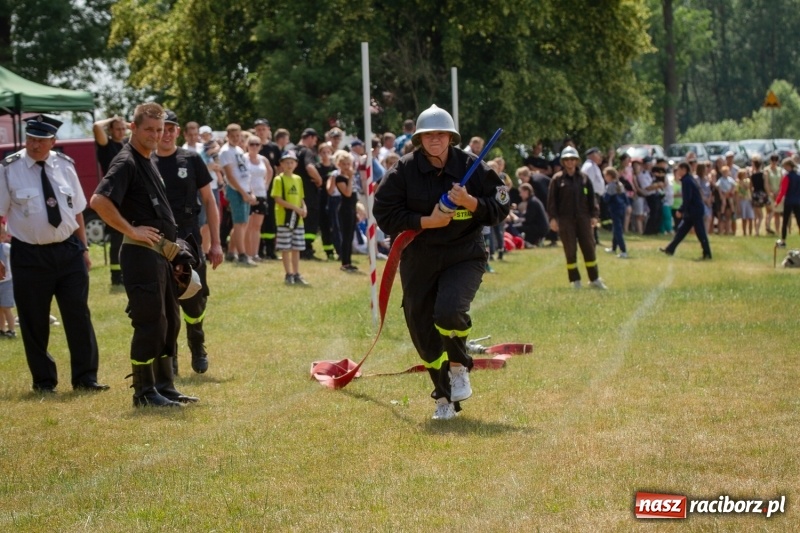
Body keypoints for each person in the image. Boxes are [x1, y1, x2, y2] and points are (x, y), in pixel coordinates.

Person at [374, 104, 510, 421]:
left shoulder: (473, 167)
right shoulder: (402, 172)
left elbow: (501, 205)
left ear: (450, 137)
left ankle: (460, 366)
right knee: (422, 331)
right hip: (419, 257)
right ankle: (444, 398)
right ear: (420, 138)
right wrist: (426, 221)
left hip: (464, 254)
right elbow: (385, 213)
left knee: (448, 310)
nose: (435, 139)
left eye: (441, 134)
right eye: (428, 135)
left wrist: (470, 202)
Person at [90, 102, 198, 407]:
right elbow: (98, 201)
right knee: (150, 322)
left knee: (169, 322)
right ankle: (144, 392)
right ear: (133, 128)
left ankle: (165, 385)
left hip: (161, 255)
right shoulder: (126, 161)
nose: (155, 135)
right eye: (148, 129)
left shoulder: (147, 160)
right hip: (140, 254)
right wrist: (132, 230)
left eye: (159, 129)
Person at [0, 115, 108, 393]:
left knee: (78, 316)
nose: (35, 145)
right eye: (31, 138)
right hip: (29, 255)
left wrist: (83, 247)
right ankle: (44, 381)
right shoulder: (9, 169)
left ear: (53, 141)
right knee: (34, 320)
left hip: (69, 251)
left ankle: (86, 378)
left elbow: (77, 211)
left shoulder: (65, 165)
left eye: (41, 140)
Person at [153, 109, 224, 375]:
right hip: (159, 240)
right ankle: (170, 356)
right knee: (165, 301)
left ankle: (197, 344)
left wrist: (215, 243)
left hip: (190, 237)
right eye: (163, 128)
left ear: (178, 131)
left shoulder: (191, 159)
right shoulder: (146, 161)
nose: (167, 133)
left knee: (194, 297)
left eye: (172, 128)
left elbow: (209, 201)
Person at [547, 146, 607, 289]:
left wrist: (594, 215)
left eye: (573, 159)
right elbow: (551, 201)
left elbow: (592, 198)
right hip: (565, 220)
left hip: (584, 218)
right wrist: (553, 218)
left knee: (589, 247)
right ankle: (575, 280)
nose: (570, 162)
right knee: (570, 249)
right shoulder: (557, 179)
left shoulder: (584, 178)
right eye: (567, 159)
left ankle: (594, 279)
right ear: (563, 161)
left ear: (577, 161)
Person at [93, 114, 128, 285]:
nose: (121, 131)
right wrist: (112, 119)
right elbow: (97, 127)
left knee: (129, 234)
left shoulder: (127, 144)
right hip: (113, 196)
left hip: (127, 195)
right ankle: (116, 276)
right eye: (118, 128)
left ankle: (127, 270)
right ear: (111, 130)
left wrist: (125, 123)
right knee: (117, 236)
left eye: (123, 128)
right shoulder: (106, 145)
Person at [219, 124, 257, 265]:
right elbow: (230, 175)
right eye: (233, 136)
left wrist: (251, 192)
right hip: (236, 190)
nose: (236, 138)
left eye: (238, 136)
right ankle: (242, 254)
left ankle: (231, 252)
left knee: (243, 223)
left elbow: (246, 173)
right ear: (227, 136)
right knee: (239, 222)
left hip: (245, 189)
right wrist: (242, 192)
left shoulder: (239, 150)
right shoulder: (225, 151)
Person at [659, 162, 712, 260]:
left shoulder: (687, 181)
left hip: (694, 210)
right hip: (692, 210)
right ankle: (670, 249)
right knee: (681, 231)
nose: (678, 172)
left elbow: (687, 198)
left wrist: (681, 210)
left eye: (679, 169)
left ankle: (707, 253)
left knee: (700, 232)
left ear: (684, 170)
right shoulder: (688, 179)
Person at [272, 150, 309, 285]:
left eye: (292, 162)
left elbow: (301, 197)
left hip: (297, 219)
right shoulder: (278, 179)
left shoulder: (298, 179)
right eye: (286, 162)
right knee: (285, 247)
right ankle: (288, 273)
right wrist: (295, 208)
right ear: (281, 164)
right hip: (284, 219)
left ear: (296, 164)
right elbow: (277, 199)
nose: (289, 165)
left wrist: (303, 208)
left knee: (296, 247)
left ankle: (296, 273)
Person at [294, 128, 324, 260]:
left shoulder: (292, 150)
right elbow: (310, 167)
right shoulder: (307, 151)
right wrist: (319, 180)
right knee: (309, 220)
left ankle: (299, 247)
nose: (315, 143)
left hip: (294, 191)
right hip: (308, 192)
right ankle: (306, 249)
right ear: (310, 137)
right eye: (315, 140)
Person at [333, 149, 358, 272]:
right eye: (344, 164)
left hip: (352, 209)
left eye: (348, 164)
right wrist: (350, 177)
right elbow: (347, 193)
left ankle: (349, 261)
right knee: (346, 236)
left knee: (350, 237)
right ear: (339, 164)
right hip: (345, 210)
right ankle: (344, 262)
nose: (347, 167)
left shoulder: (349, 178)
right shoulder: (339, 178)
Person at [773, 157, 800, 247]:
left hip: (789, 201)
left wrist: (777, 201)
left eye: (785, 166)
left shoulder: (787, 177)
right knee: (799, 221)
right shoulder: (798, 176)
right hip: (798, 201)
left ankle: (783, 240)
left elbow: (783, 191)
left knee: (785, 221)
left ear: (789, 166)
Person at [603, 167, 628, 258]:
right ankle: (613, 248)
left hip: (614, 209)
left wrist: (603, 195)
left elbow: (606, 199)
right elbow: (625, 198)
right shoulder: (620, 184)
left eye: (605, 176)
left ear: (609, 176)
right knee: (616, 228)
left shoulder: (610, 186)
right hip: (622, 209)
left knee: (618, 230)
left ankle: (623, 250)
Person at [0, 220, 16, 338]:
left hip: (6, 283)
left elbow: (16, 254)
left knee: (6, 307)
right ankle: (2, 329)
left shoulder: (5, 247)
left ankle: (11, 330)